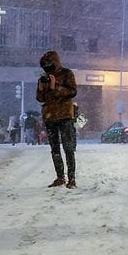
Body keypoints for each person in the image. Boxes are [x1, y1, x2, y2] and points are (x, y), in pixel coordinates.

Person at [35, 50, 78, 189]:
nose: (47, 69)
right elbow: (40, 98)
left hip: (65, 115)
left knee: (68, 147)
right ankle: (60, 177)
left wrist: (55, 87)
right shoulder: (43, 78)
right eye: (45, 66)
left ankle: (71, 179)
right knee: (54, 149)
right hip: (50, 116)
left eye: (49, 65)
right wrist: (41, 89)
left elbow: (72, 91)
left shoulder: (67, 73)